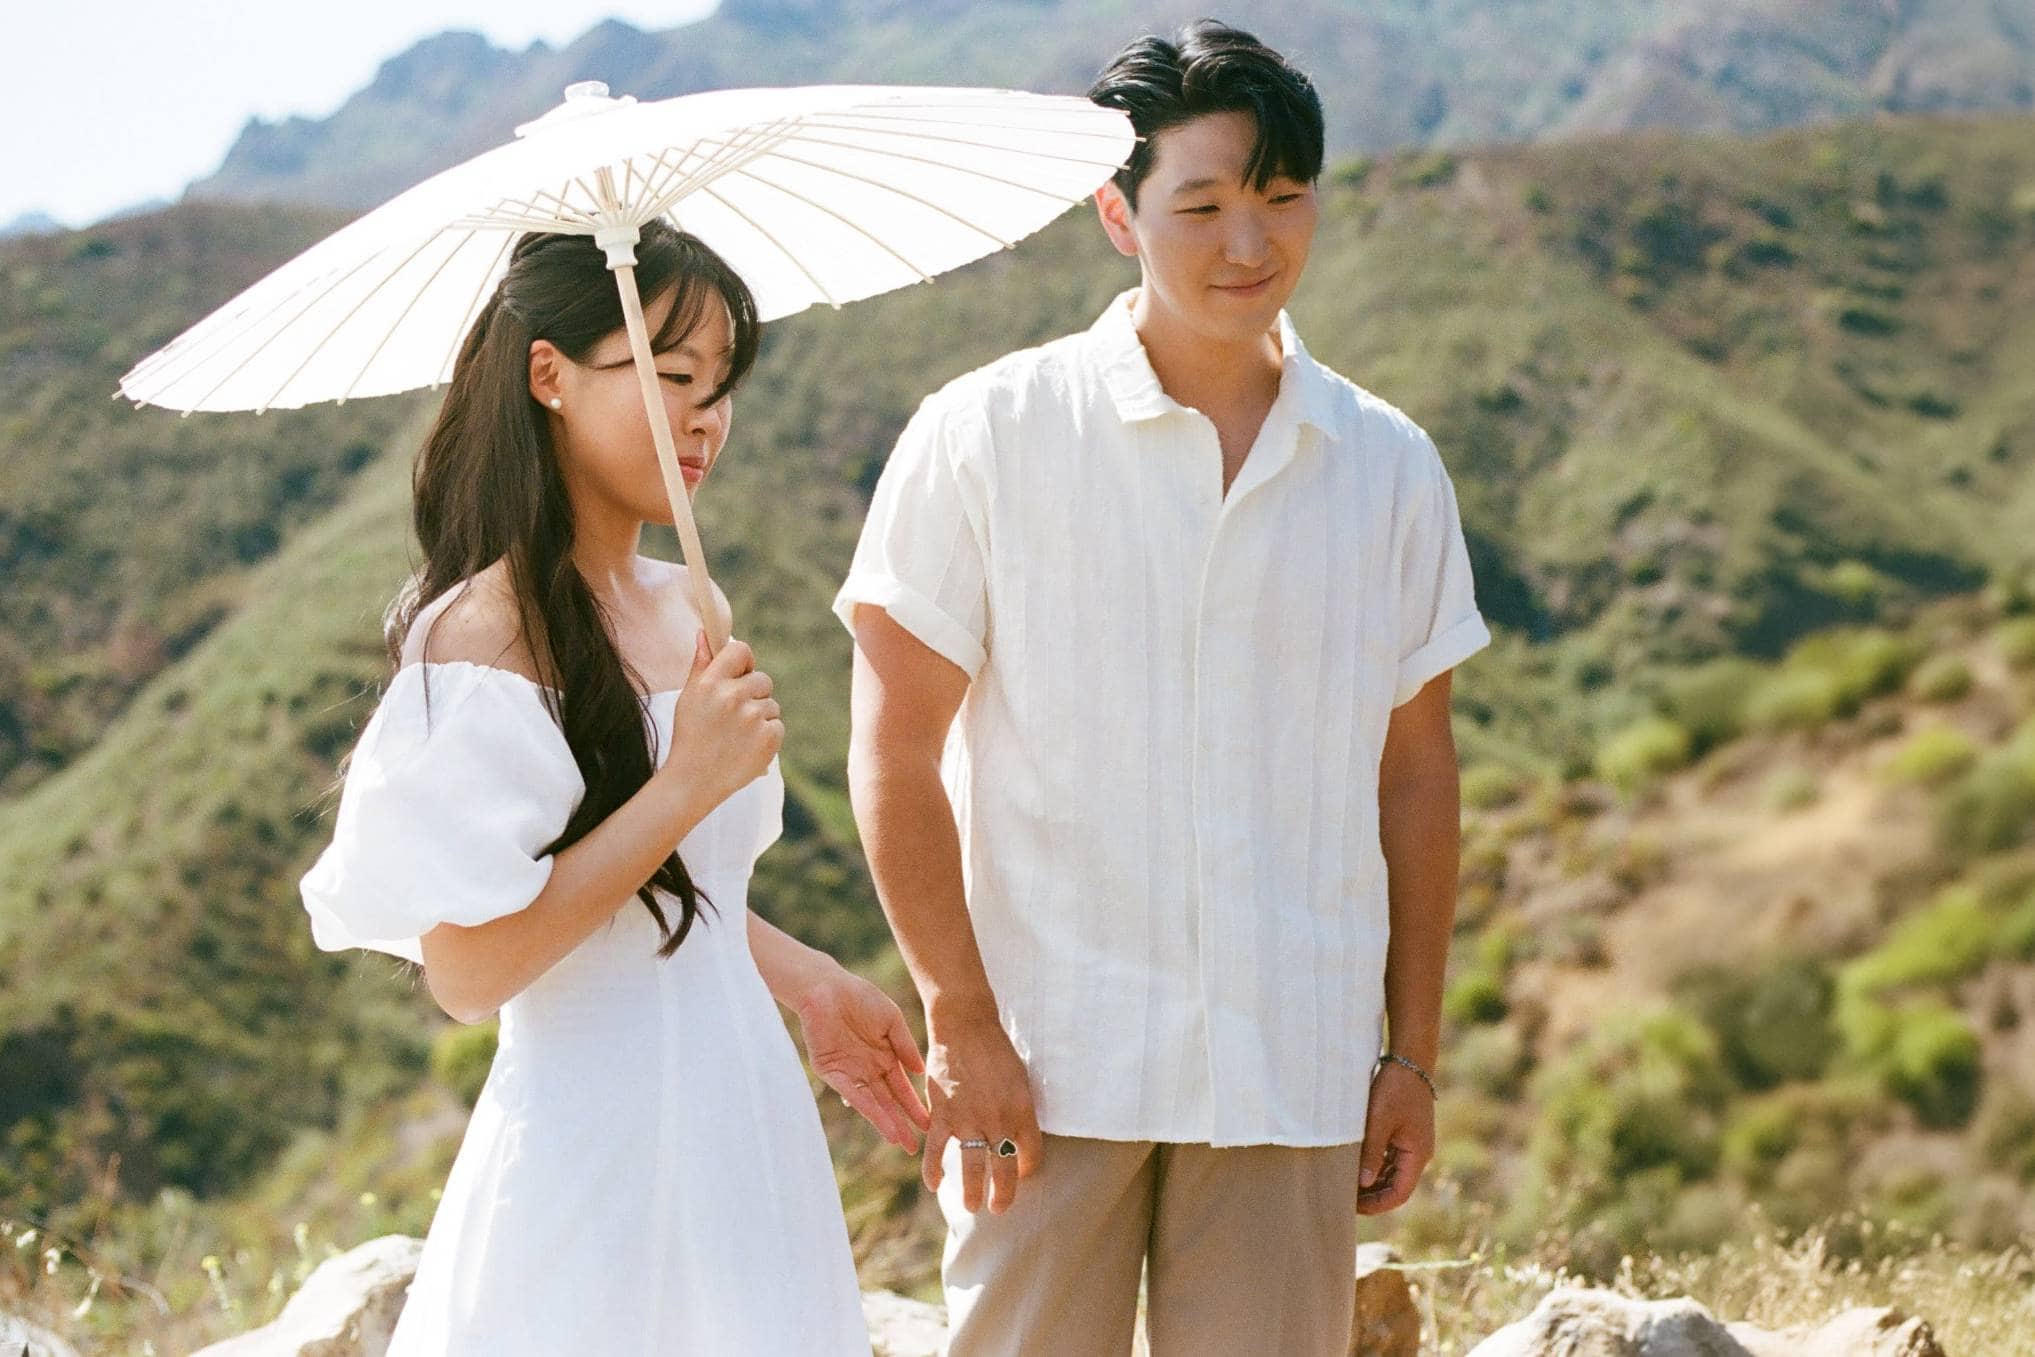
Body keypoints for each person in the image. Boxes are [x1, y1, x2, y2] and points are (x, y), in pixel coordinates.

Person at [834, 20, 1490, 1357]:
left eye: (1279, 199)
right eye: (1199, 206)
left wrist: (1406, 1053)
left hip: (1286, 1074)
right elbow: (892, 750)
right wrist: (960, 1023)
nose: (1247, 246)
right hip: (1044, 1066)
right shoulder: (987, 435)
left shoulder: (1384, 466)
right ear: (1115, 215)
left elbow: (1415, 774)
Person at [299, 222, 929, 1355]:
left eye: (720, 383)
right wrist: (682, 782)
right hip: (594, 1146)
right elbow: (468, 970)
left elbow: (670, 894)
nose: (705, 416)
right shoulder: (481, 635)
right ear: (550, 375)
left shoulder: (694, 606)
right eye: (669, 374)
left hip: (741, 1123)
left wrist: (810, 983)